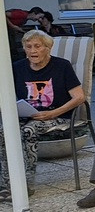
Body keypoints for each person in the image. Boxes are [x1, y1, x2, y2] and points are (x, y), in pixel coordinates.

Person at [1, 29, 85, 202]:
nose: (33, 51)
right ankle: (7, 183)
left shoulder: (62, 66)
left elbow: (79, 97)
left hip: (59, 115)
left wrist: (53, 113)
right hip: (27, 115)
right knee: (4, 131)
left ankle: (27, 183)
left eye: (37, 46)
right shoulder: (17, 67)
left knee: (29, 131)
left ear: (48, 48)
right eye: (28, 46)